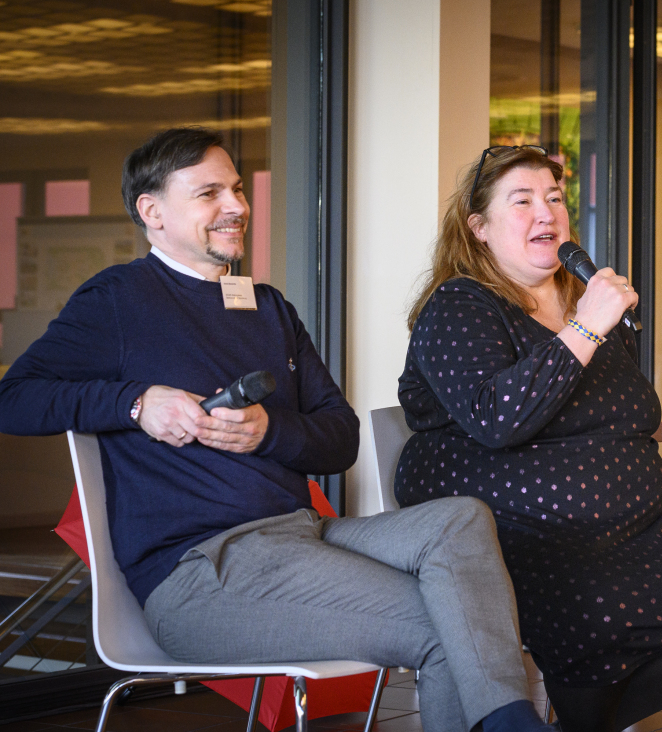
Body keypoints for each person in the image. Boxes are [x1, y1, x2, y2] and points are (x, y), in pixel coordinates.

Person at [0, 127, 556, 732]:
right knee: (459, 631)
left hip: (303, 537)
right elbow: (16, 399)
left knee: (461, 517)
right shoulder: (117, 300)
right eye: (209, 193)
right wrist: (136, 402)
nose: (237, 206)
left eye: (236, 188)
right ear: (151, 211)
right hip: (202, 572)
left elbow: (339, 438)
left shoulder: (266, 306)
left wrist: (267, 429)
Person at [396, 144, 662, 732]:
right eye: (523, 201)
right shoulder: (460, 304)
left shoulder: (579, 300)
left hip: (637, 530)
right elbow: (497, 418)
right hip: (524, 534)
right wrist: (587, 326)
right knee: (597, 616)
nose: (547, 213)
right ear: (479, 228)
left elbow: (629, 412)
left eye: (555, 198)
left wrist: (586, 318)